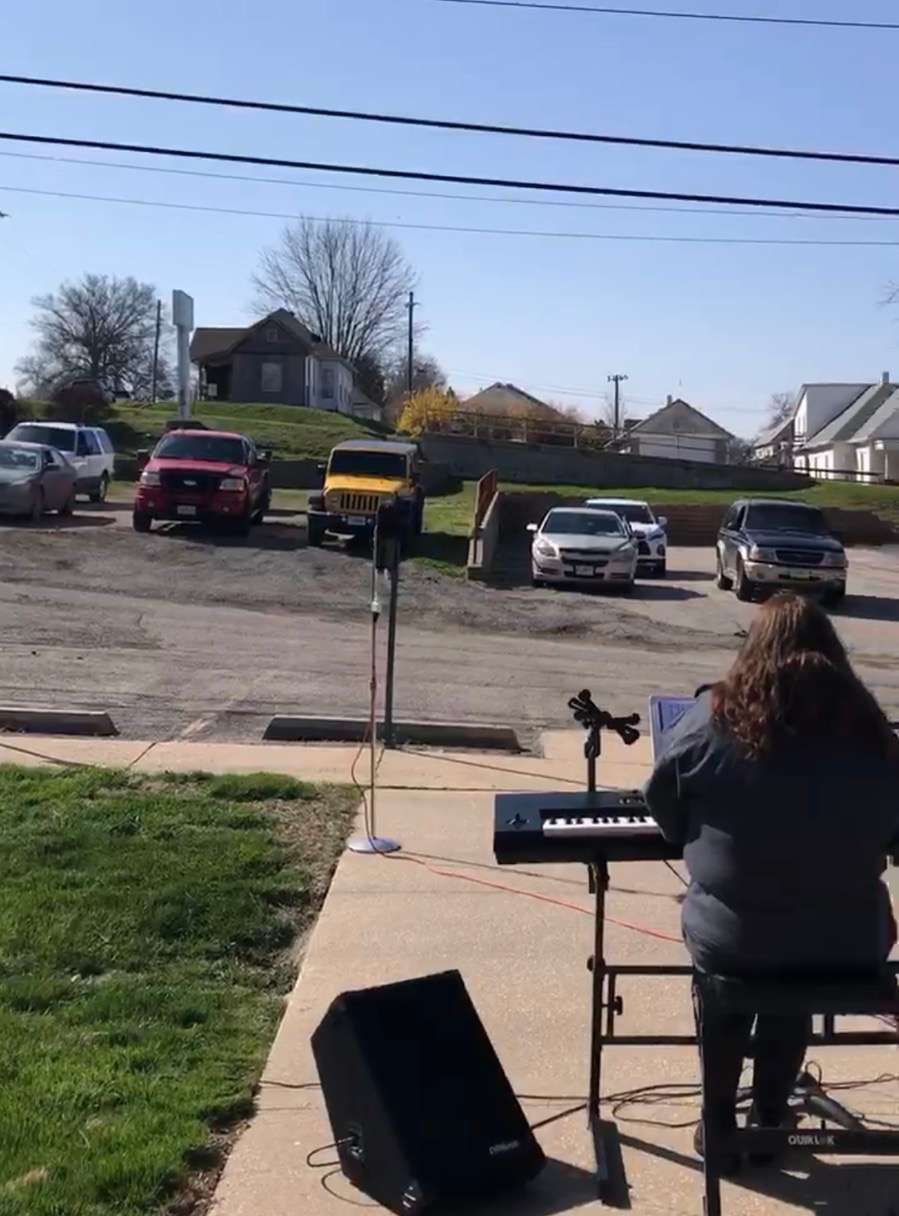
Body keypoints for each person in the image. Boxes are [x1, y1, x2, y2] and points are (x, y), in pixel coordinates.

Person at [644, 592, 899, 1162]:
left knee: (737, 968)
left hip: (736, 943)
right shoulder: (874, 733)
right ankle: (770, 1112)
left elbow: (661, 793)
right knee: (798, 956)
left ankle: (720, 1126)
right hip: (849, 946)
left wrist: (685, 830)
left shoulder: (715, 715)